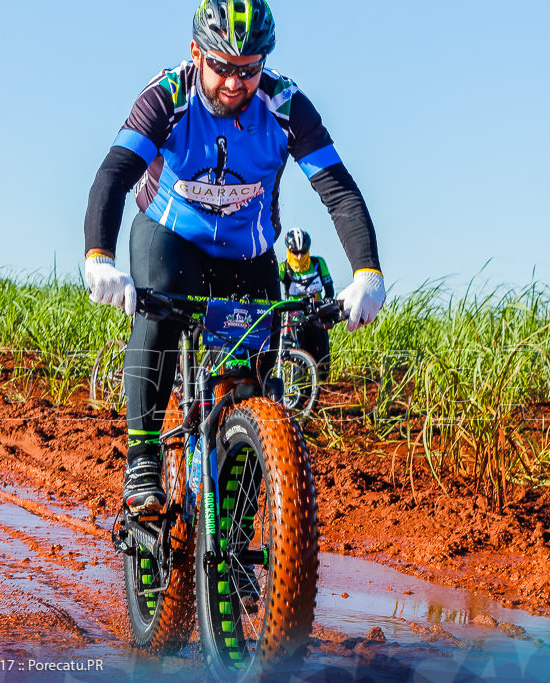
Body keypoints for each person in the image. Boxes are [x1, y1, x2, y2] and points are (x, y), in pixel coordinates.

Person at [83, 0, 385, 513]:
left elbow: (338, 190)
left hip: (247, 254)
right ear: (196, 52)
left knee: (256, 389)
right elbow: (113, 175)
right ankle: (143, 461)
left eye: (248, 70)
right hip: (170, 236)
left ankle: (240, 525)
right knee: (155, 317)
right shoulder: (169, 95)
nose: (233, 83)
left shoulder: (286, 106)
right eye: (221, 66)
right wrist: (99, 258)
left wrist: (367, 273)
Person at [278, 227, 334, 379]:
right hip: (295, 320)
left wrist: (327, 305)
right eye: (295, 252)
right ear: (289, 251)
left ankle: (318, 393)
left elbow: (329, 290)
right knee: (299, 364)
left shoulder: (318, 263)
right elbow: (275, 290)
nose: (300, 255)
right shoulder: (284, 268)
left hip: (316, 316)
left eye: (303, 251)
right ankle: (298, 392)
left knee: (323, 365)